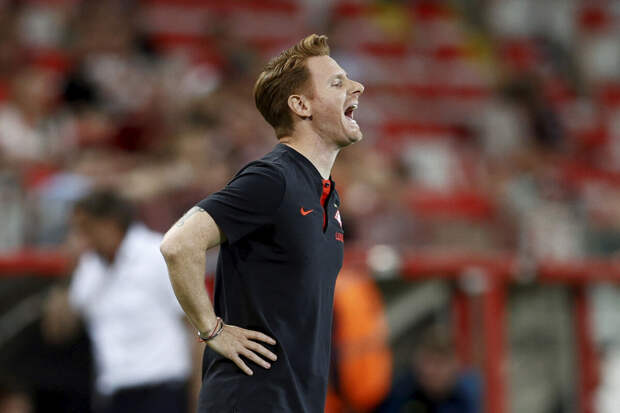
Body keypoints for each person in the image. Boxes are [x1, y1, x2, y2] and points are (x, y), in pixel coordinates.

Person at [160, 33, 364, 412]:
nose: (357, 87)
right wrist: (212, 330)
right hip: (250, 400)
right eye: (337, 83)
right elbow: (179, 244)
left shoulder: (325, 193)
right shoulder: (273, 178)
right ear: (301, 105)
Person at [42, 190, 193, 413]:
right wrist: (68, 272)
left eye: (84, 228)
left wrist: (199, 396)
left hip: (162, 389)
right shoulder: (88, 268)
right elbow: (58, 331)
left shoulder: (158, 254)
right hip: (114, 392)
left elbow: (195, 325)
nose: (79, 237)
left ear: (109, 224)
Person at [375, 324, 481, 413]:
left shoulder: (465, 398)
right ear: (417, 361)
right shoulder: (398, 394)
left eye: (441, 363)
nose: (435, 372)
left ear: (455, 365)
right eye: (430, 362)